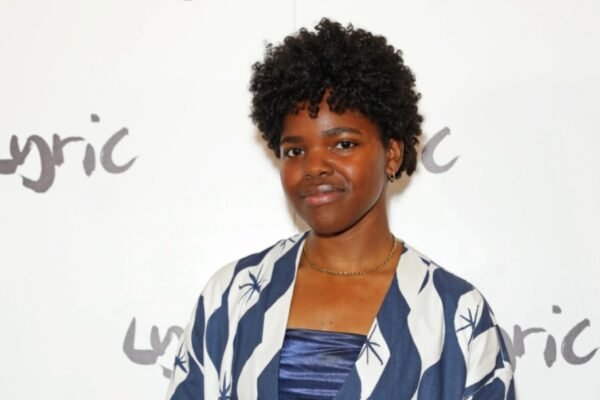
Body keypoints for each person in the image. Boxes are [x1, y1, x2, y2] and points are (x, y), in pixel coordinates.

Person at [166, 18, 515, 400]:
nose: (314, 166)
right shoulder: (231, 298)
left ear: (392, 154)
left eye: (343, 144)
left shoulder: (456, 314)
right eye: (294, 151)